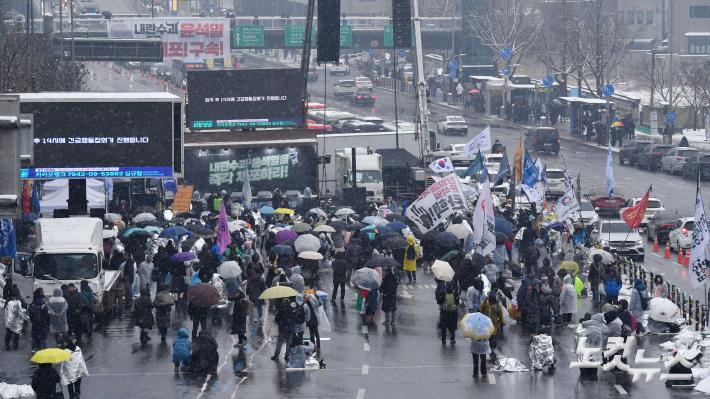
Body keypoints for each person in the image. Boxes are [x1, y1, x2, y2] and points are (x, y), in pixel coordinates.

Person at [28, 287, 50, 352]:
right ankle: (44, 349)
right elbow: (46, 313)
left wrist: (32, 320)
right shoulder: (43, 303)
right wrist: (48, 322)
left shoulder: (33, 302)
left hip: (35, 322)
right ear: (40, 293)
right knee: (43, 337)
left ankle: (33, 349)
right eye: (43, 291)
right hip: (42, 322)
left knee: (34, 336)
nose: (44, 292)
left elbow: (30, 311)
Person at [469, 313, 491, 378]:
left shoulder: (472, 326)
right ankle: (483, 372)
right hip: (483, 344)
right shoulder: (486, 325)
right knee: (483, 359)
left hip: (475, 344)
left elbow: (468, 335)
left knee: (475, 359)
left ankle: (475, 373)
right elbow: (488, 335)